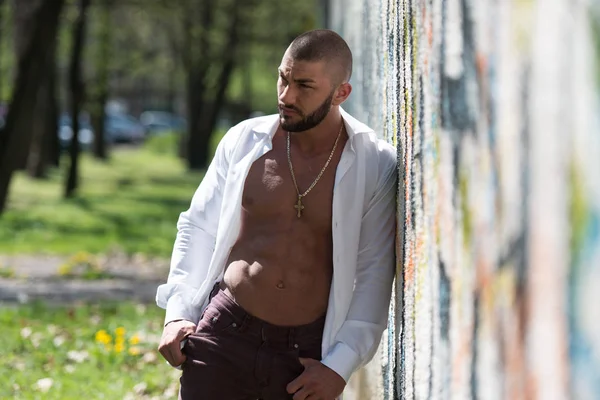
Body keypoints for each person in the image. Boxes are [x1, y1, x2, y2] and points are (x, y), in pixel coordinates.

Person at [156, 29, 397, 400]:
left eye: (304, 86)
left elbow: (375, 272)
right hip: (225, 330)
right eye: (283, 78)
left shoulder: (373, 164)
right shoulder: (244, 142)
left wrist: (339, 365)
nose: (287, 96)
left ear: (340, 93)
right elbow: (198, 226)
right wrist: (178, 311)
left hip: (304, 355)